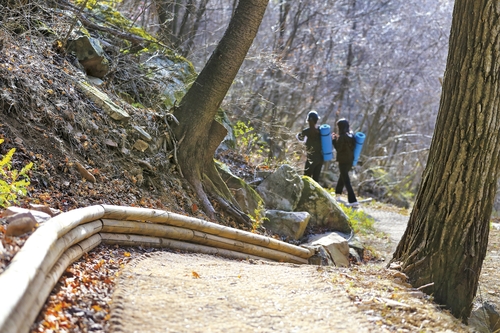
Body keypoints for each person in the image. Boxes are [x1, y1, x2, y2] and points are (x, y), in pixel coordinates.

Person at [332, 118, 359, 207]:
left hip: (343, 161)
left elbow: (338, 149)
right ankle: (338, 194)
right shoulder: (351, 136)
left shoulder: (342, 137)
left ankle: (353, 201)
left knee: (346, 180)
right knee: (342, 177)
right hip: (350, 160)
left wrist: (333, 140)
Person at [297, 111, 323, 182]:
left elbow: (300, 138)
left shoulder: (306, 131)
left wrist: (300, 133)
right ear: (317, 120)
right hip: (320, 158)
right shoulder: (321, 131)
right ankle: (315, 193)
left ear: (308, 120)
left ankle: (305, 192)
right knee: (316, 179)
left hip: (311, 158)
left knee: (306, 177)